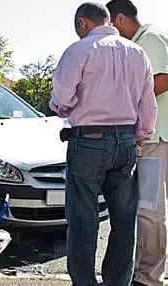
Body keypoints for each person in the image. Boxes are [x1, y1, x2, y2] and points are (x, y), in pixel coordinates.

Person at [49, 2, 157, 286]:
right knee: (124, 221)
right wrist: (140, 137)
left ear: (84, 23)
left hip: (88, 141)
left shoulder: (79, 50)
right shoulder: (138, 53)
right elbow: (148, 103)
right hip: (125, 142)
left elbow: (61, 99)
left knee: (84, 220)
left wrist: (63, 108)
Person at [105, 1, 168, 285]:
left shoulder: (150, 39)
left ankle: (148, 278)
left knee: (149, 210)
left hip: (156, 139)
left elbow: (163, 79)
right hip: (156, 137)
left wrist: (126, 103)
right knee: (151, 210)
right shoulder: (147, 38)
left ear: (119, 19)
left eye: (110, 25)